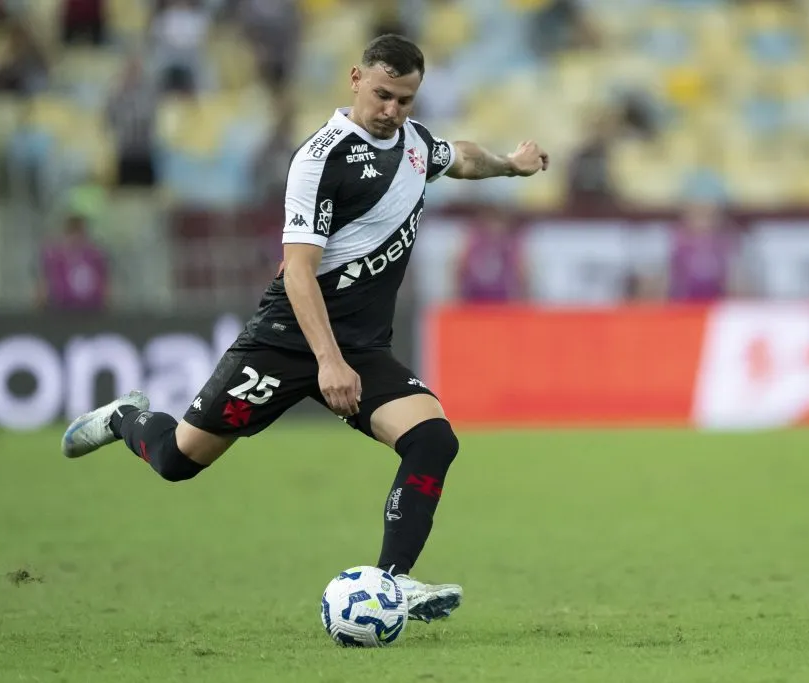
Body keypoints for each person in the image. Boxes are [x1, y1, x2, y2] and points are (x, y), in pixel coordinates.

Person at [60, 34, 549, 623]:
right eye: (383, 95)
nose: (392, 110)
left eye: (405, 100)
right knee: (178, 460)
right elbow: (297, 271)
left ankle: (392, 581)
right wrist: (327, 361)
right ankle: (124, 417)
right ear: (355, 79)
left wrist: (510, 165)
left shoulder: (415, 143)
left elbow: (460, 157)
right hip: (287, 340)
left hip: (360, 348)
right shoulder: (320, 159)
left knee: (433, 440)